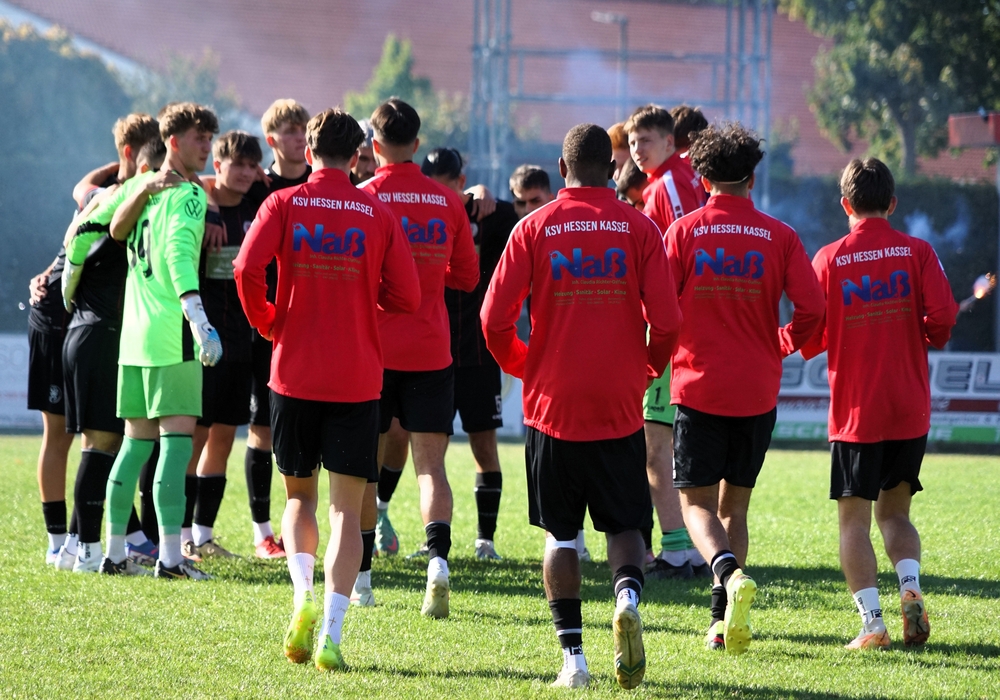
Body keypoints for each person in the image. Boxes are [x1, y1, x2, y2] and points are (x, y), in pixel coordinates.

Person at [482, 123, 682, 689]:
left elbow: (493, 320)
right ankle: (626, 599)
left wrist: (525, 365)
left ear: (561, 167)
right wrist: (648, 366)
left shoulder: (533, 226)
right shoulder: (639, 226)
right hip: (618, 402)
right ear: (613, 167)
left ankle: (573, 661)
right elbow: (668, 321)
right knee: (626, 526)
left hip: (553, 406)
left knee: (561, 536)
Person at [234, 107, 420, 671]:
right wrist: (364, 298)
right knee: (346, 511)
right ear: (357, 156)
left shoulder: (283, 203)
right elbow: (408, 296)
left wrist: (269, 322)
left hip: (294, 373)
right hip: (356, 378)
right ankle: (333, 633)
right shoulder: (377, 211)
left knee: (299, 499)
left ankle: (302, 600)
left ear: (310, 152)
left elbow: (245, 270)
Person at [667, 122, 824, 653]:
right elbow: (813, 309)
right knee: (735, 507)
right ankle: (721, 622)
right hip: (757, 390)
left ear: (701, 176)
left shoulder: (684, 232)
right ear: (752, 177)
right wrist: (782, 342)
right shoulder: (780, 236)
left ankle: (729, 574)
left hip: (699, 388)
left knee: (695, 505)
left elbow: (658, 308)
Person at [801, 158, 958, 650]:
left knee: (854, 521)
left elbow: (809, 329)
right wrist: (926, 334)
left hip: (857, 413)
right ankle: (910, 589)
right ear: (892, 203)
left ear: (845, 204)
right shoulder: (918, 251)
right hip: (909, 408)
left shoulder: (829, 258)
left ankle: (873, 625)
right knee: (896, 514)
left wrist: (788, 341)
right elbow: (944, 317)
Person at [359, 98, 479, 616]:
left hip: (373, 351)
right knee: (431, 468)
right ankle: (437, 565)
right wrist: (432, 275)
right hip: (431, 349)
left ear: (375, 145)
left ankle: (362, 579)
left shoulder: (364, 198)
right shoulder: (448, 201)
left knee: (362, 469)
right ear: (416, 142)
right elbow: (467, 277)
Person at [97, 101, 222, 580]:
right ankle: (170, 560)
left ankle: (113, 554)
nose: (206, 147)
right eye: (198, 138)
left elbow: (114, 228)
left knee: (134, 447)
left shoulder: (143, 189)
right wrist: (197, 315)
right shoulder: (189, 194)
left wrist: (145, 187)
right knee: (175, 447)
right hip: (172, 336)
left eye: (209, 138)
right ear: (173, 142)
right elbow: (177, 253)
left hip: (134, 339)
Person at [60, 128, 165, 574]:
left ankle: (72, 545)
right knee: (102, 444)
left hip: (87, 332)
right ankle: (87, 550)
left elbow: (81, 203)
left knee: (104, 443)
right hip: (99, 335)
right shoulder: (127, 208)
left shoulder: (105, 202)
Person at [624, 104, 706, 579]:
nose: (638, 150)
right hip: (685, 329)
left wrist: (667, 319)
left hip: (670, 331)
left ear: (670, 142)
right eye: (634, 142)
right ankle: (692, 548)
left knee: (657, 445)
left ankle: (677, 552)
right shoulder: (676, 179)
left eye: (646, 141)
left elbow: (683, 252)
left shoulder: (668, 185)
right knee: (678, 444)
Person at [231, 98, 312, 559]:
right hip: (268, 328)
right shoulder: (256, 189)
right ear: (272, 140)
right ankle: (263, 531)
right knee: (261, 428)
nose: (299, 137)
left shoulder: (325, 185)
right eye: (290, 130)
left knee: (312, 432)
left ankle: (312, 526)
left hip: (316, 328)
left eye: (303, 129)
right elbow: (212, 186)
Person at [183, 131, 268, 560]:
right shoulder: (198, 203)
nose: (247, 173)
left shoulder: (258, 206)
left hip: (242, 341)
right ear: (217, 165)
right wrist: (209, 203)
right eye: (238, 165)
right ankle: (178, 534)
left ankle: (203, 535)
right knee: (194, 437)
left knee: (223, 439)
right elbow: (187, 180)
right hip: (204, 339)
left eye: (253, 165)